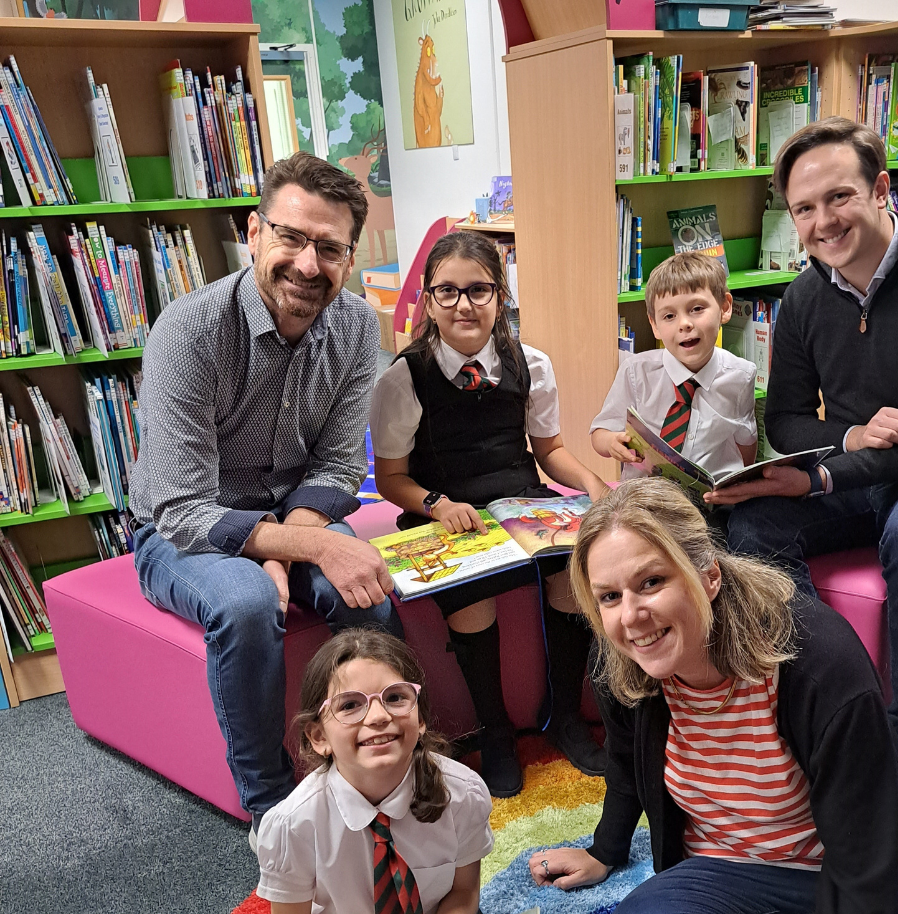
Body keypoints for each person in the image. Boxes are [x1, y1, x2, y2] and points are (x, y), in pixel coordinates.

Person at [529, 478, 898, 914]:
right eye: (609, 596)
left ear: (709, 577)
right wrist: (606, 851)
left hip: (866, 867)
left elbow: (865, 850)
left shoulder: (813, 655)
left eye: (651, 582)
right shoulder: (626, 666)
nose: (631, 616)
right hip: (725, 874)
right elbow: (626, 765)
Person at [712, 117, 898, 811]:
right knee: (749, 527)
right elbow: (782, 421)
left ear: (880, 189)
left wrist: (821, 472)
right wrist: (851, 439)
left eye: (837, 197)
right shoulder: (805, 296)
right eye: (804, 209)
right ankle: (818, 693)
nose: (822, 222)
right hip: (853, 475)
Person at [130, 151, 403, 843]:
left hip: (287, 513)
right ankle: (273, 811)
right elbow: (184, 509)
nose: (308, 265)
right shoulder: (189, 333)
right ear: (253, 232)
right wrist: (291, 547)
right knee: (248, 602)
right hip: (181, 532)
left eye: (330, 248)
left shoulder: (353, 326)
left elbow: (341, 464)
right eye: (290, 237)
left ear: (349, 255)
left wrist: (291, 538)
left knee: (369, 589)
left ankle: (379, 769)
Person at [371, 231, 610, 796]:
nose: (463, 305)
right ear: (428, 300)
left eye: (478, 290)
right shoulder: (404, 378)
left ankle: (567, 718)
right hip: (444, 509)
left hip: (522, 498)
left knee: (574, 568)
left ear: (500, 296)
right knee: (471, 595)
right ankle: (496, 732)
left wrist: (592, 484)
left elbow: (548, 450)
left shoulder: (532, 364)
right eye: (447, 292)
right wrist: (436, 503)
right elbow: (391, 479)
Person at [256, 628, 493, 914]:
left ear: (420, 720)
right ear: (319, 737)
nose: (379, 716)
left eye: (395, 698)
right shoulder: (292, 826)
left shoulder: (462, 793)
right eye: (350, 705)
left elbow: (464, 892)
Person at [590, 250, 757, 510]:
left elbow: (746, 443)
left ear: (725, 308)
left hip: (710, 505)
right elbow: (599, 433)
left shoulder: (741, 375)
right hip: (645, 504)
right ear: (654, 325)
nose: (685, 324)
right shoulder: (636, 372)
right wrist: (612, 443)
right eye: (669, 316)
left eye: (697, 309)